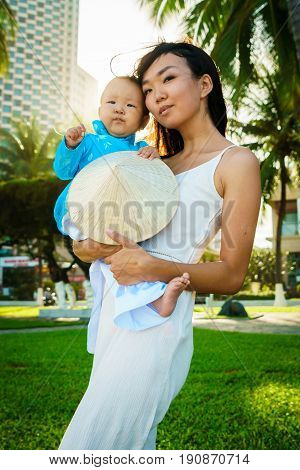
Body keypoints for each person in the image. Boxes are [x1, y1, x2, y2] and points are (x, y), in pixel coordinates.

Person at [58, 41, 261, 450]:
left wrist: (156, 268)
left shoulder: (236, 163)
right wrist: (87, 247)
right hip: (115, 312)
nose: (156, 95)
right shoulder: (151, 164)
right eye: (148, 89)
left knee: (92, 443)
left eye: (168, 79)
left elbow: (232, 275)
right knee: (130, 444)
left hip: (157, 320)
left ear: (204, 84)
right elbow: (94, 237)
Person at [53, 75, 191, 341]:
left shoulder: (139, 149)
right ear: (100, 108)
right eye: (112, 102)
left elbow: (151, 182)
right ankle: (152, 300)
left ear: (142, 120)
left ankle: (154, 301)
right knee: (119, 260)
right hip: (81, 213)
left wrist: (152, 154)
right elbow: (62, 170)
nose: (119, 108)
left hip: (120, 219)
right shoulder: (88, 142)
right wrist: (70, 145)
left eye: (130, 106)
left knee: (122, 266)